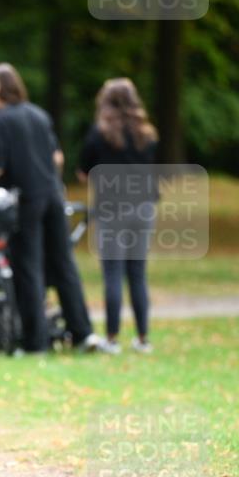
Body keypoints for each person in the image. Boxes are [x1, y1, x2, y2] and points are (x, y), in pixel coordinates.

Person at [0, 62, 104, 354]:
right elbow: (57, 158)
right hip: (52, 195)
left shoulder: (0, 121)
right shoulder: (38, 114)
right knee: (64, 264)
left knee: (29, 268)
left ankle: (35, 342)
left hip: (25, 200)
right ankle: (82, 333)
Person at [78, 77, 159, 354]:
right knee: (137, 273)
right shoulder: (147, 133)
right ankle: (143, 338)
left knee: (112, 272)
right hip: (144, 207)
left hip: (112, 209)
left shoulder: (99, 134)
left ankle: (112, 338)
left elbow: (84, 172)